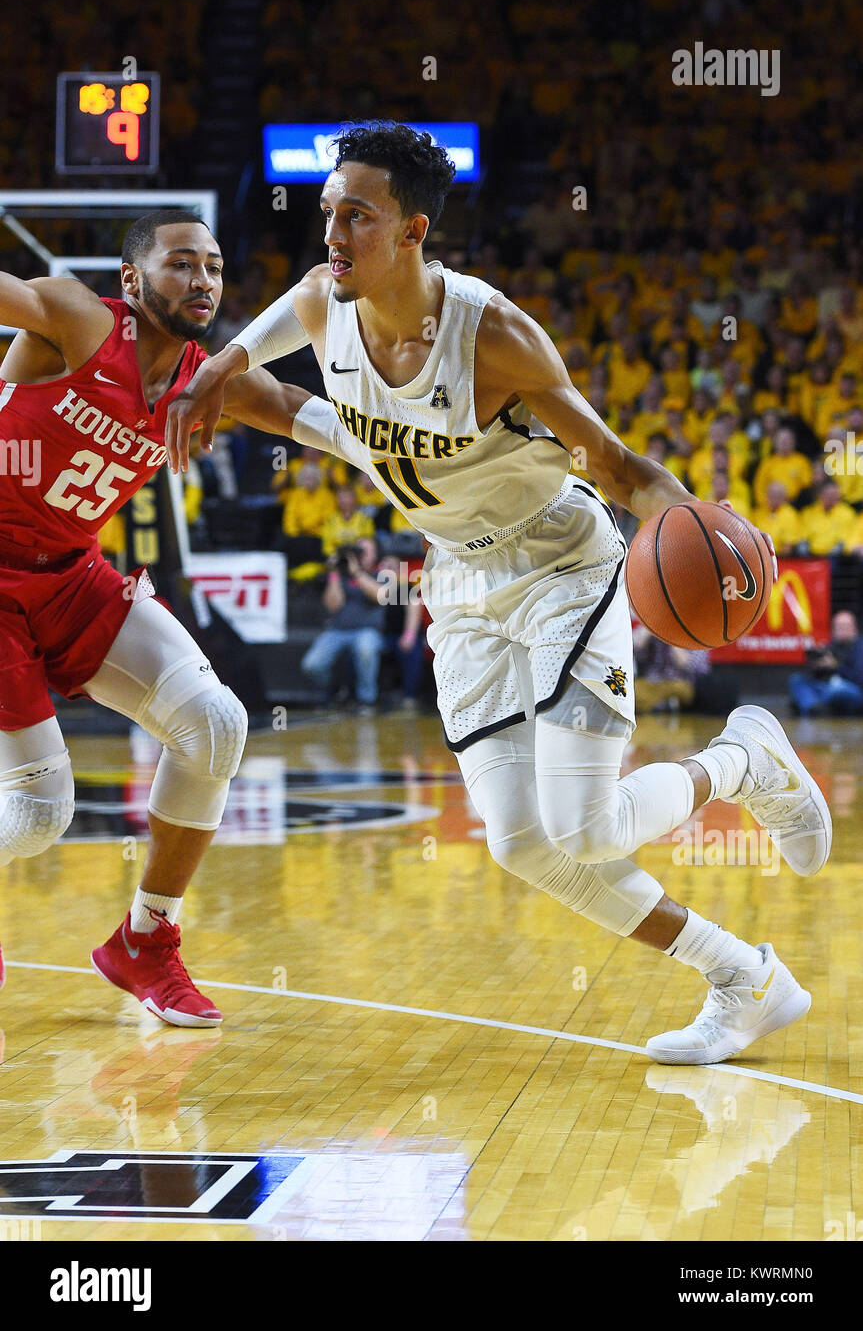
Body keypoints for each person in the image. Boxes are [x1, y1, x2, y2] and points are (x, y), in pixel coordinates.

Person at [166, 122, 832, 1067]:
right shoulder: (326, 306)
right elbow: (288, 317)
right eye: (328, 212)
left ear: (412, 230)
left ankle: (744, 758)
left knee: (582, 826)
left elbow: (617, 465)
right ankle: (745, 979)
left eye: (357, 215)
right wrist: (220, 370)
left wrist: (698, 529)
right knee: (523, 843)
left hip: (561, 564)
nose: (333, 233)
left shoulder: (495, 337)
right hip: (459, 583)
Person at [0, 209, 315, 1023]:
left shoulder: (205, 379)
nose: (202, 280)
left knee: (215, 723)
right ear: (133, 281)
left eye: (212, 266)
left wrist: (424, 440)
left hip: (69, 575)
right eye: (181, 264)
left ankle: (146, 939)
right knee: (38, 815)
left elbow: (294, 408)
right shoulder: (79, 318)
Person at [300, 537, 385, 709]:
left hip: (367, 630)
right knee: (312, 664)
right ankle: (333, 690)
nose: (359, 556)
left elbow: (379, 596)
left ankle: (366, 700)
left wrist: (356, 573)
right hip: (337, 630)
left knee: (366, 650)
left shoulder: (382, 574)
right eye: (357, 551)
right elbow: (333, 606)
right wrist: (334, 573)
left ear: (375, 555)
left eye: (365, 551)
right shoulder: (340, 576)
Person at [789, 611, 863, 716]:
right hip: (826, 685)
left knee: (836, 689)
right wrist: (817, 665)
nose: (842, 630)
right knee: (796, 680)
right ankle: (812, 708)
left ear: (854, 628)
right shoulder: (830, 646)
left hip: (851, 689)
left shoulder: (859, 647)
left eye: (845, 626)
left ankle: (814, 704)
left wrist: (835, 666)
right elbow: (814, 677)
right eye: (838, 627)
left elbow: (858, 677)